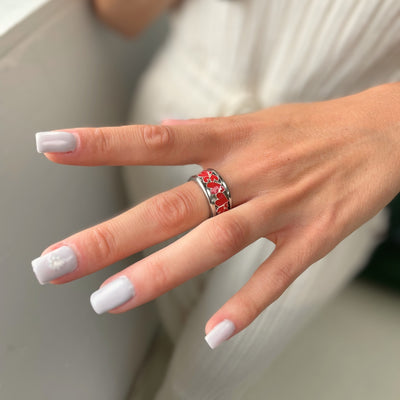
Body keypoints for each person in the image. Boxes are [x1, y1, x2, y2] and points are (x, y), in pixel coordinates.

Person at [31, 0, 400, 398]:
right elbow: (120, 16)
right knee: (177, 333)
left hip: (328, 172)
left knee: (198, 382)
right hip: (176, 124)